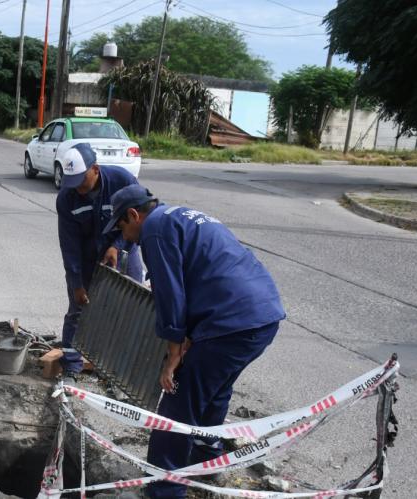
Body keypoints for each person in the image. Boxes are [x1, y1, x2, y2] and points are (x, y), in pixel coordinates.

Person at [103, 184, 285, 499]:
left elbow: (170, 294)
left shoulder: (155, 230)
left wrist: (173, 353)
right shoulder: (181, 216)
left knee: (176, 405)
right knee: (214, 391)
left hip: (231, 321)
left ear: (134, 214)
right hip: (262, 316)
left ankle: (165, 489)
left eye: (122, 227)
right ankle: (207, 460)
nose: (125, 236)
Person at [56, 143, 143, 379]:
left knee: (132, 308)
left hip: (124, 250)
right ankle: (71, 366)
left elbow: (141, 219)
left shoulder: (122, 181)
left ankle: (120, 368)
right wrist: (76, 283)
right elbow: (69, 245)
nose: (78, 189)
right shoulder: (67, 197)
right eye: (71, 182)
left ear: (95, 169)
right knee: (78, 309)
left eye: (81, 181)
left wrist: (118, 246)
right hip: (86, 259)